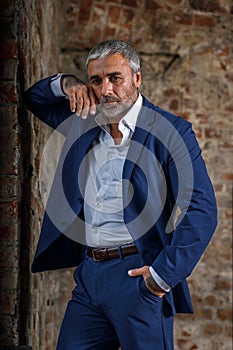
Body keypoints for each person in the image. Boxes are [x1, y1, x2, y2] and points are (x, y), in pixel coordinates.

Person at [24, 40, 217, 350]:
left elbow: (202, 209)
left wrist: (161, 275)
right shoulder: (82, 120)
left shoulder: (171, 131)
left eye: (115, 78)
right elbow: (34, 99)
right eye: (97, 81)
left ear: (136, 78)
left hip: (138, 276)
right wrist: (66, 83)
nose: (106, 90)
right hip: (89, 277)